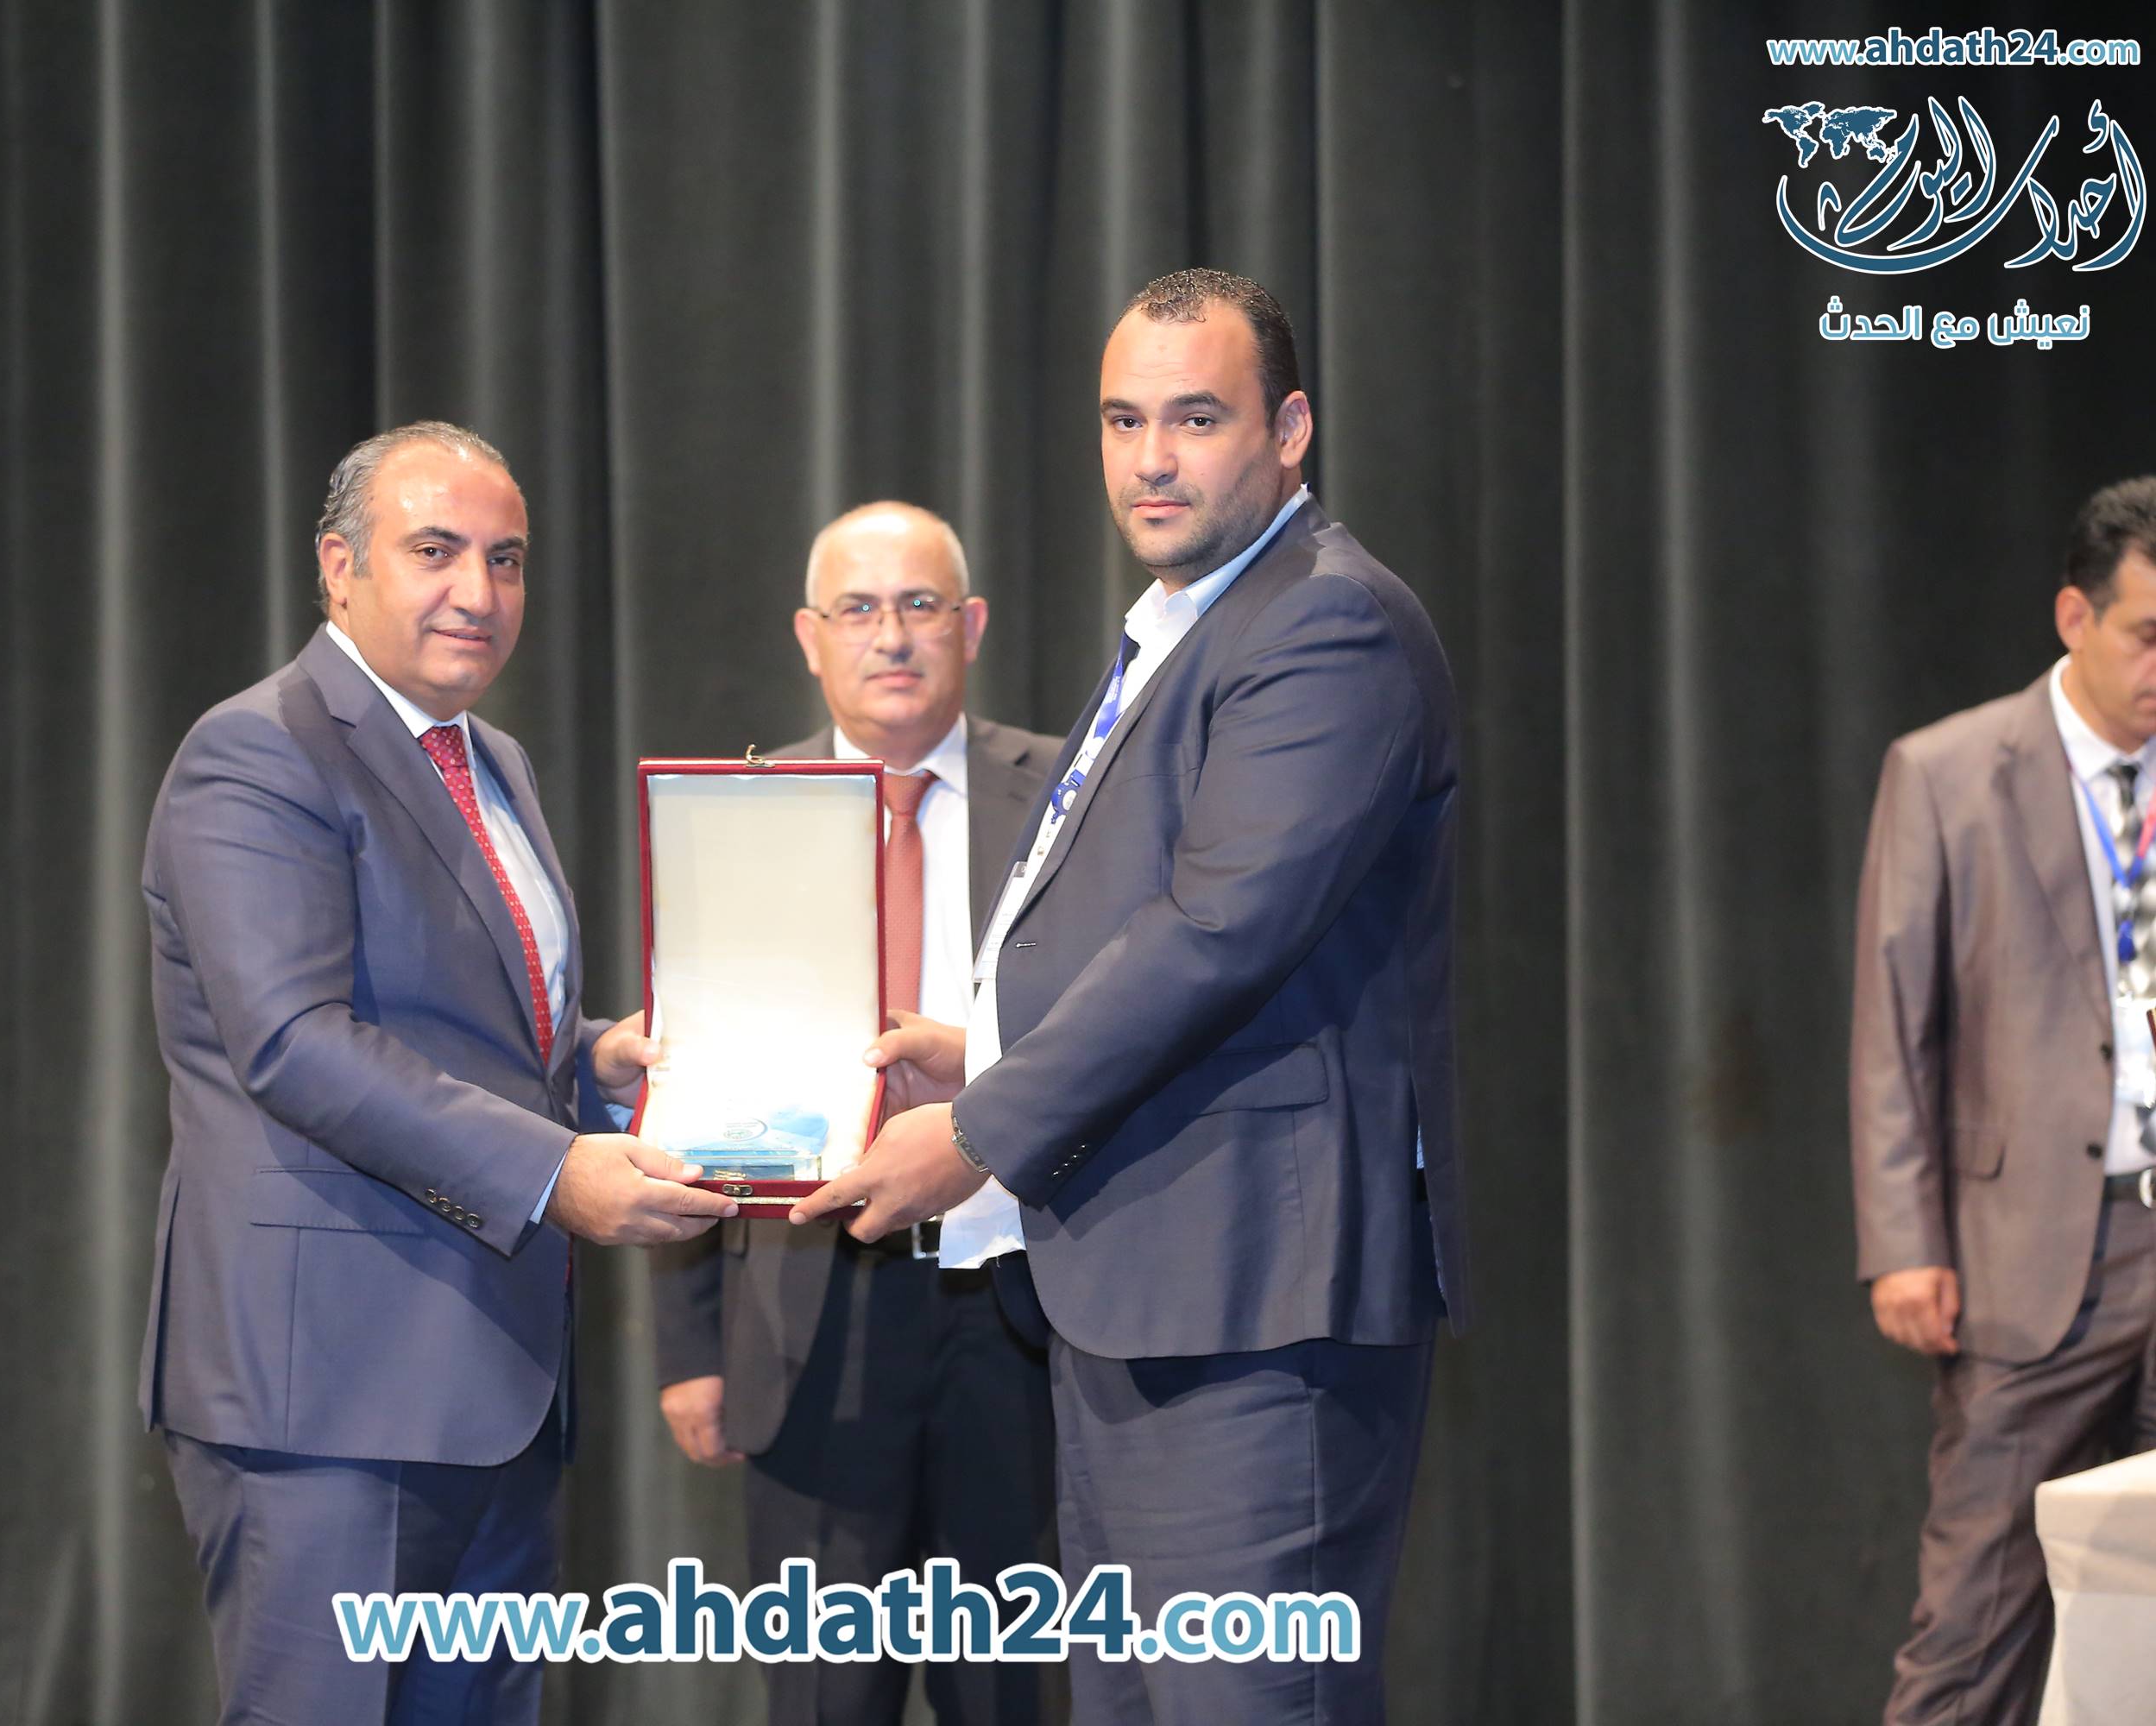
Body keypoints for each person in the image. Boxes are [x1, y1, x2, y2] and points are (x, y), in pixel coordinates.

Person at [793, 268, 1468, 1723]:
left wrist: (977, 1127)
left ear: (1290, 429)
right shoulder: (1191, 618)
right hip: (1146, 1293)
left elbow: (1217, 932)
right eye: (1122, 420)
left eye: (1197, 418)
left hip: (1254, 1305)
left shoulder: (1325, 625)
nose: (1151, 459)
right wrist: (981, 1047)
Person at [136, 420, 734, 1725]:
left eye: (507, 559)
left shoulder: (489, 758)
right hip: (328, 1396)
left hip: (493, 1386)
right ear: (338, 566)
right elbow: (294, 1044)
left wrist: (595, 1059)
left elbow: (475, 1035)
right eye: (436, 551)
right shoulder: (258, 752)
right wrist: (558, 1173)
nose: (479, 590)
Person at [649, 501, 1062, 1725]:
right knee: (826, 1697)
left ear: (971, 626)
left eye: (921, 605)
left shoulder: (1070, 796)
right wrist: (689, 1346)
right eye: (860, 609)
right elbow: (691, 1070)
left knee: (1012, 1695)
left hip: (1021, 1309)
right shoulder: (742, 810)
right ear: (809, 636)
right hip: (808, 1316)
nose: (892, 636)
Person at [1852, 476, 2156, 1725]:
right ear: (2075, 618)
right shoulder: (1951, 772)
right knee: (1975, 1621)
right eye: (2148, 637)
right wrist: (1904, 1244)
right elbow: (1894, 1027)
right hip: (2037, 1249)